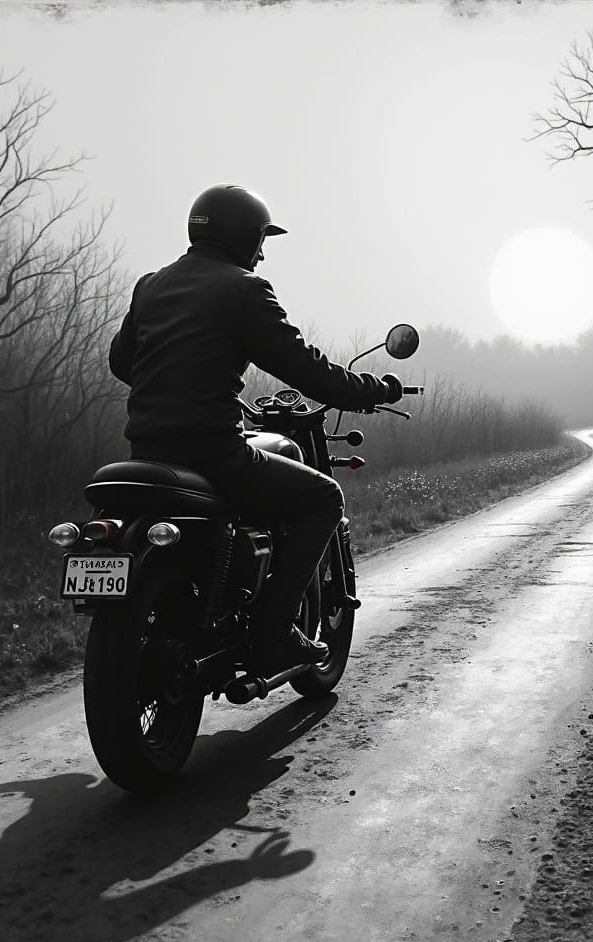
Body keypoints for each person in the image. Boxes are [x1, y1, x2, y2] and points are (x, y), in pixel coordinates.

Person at [108, 184, 403, 674]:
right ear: (242, 236)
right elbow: (307, 370)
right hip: (214, 454)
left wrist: (188, 380)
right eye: (261, 239)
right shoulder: (244, 289)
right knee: (324, 498)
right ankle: (274, 632)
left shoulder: (151, 284)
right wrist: (375, 389)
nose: (263, 252)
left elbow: (123, 362)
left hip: (148, 452)